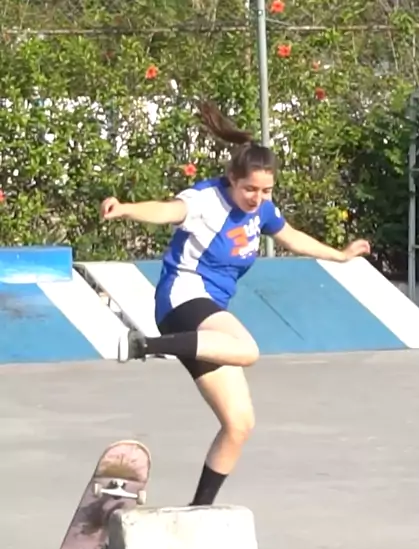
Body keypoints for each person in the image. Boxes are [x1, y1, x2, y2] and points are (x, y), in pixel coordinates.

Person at [100, 99, 371, 507]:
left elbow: (292, 237)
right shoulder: (205, 200)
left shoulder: (262, 210)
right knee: (247, 349)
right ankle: (144, 346)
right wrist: (126, 209)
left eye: (266, 191)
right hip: (182, 298)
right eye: (249, 190)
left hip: (207, 315)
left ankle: (198, 511)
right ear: (231, 179)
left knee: (239, 423)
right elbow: (168, 210)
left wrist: (340, 255)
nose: (257, 199)